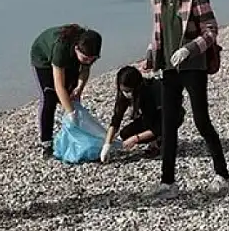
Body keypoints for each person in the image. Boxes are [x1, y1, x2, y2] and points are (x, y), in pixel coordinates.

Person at [145, 0, 229, 199]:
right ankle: (168, 182)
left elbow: (211, 30)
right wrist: (151, 56)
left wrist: (189, 49)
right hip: (169, 67)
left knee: (201, 120)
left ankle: (222, 175)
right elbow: (158, 31)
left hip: (193, 66)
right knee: (168, 124)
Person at [30, 24, 102, 157]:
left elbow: (85, 70)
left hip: (70, 58)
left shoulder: (90, 49)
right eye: (86, 58)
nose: (89, 61)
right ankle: (46, 143)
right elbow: (59, 86)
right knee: (49, 98)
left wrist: (79, 88)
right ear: (76, 49)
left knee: (72, 94)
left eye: (92, 59)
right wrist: (71, 113)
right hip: (42, 59)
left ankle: (77, 138)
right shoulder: (61, 48)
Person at [105, 66, 171, 158]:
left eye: (128, 91)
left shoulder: (150, 91)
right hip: (148, 117)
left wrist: (135, 139)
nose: (126, 93)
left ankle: (159, 141)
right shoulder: (124, 94)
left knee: (161, 126)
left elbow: (160, 124)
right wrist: (107, 145)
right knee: (125, 134)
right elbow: (116, 119)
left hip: (168, 116)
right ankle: (154, 139)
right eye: (123, 90)